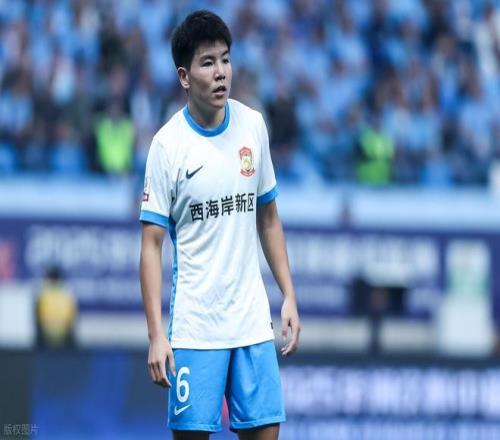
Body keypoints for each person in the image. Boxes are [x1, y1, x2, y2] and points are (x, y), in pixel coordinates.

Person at [139, 10, 300, 440]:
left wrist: (288, 294)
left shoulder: (253, 126)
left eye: (225, 59)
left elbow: (269, 218)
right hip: (196, 329)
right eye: (207, 62)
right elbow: (151, 246)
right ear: (184, 76)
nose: (221, 72)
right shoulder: (167, 147)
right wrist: (156, 334)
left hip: (252, 324)